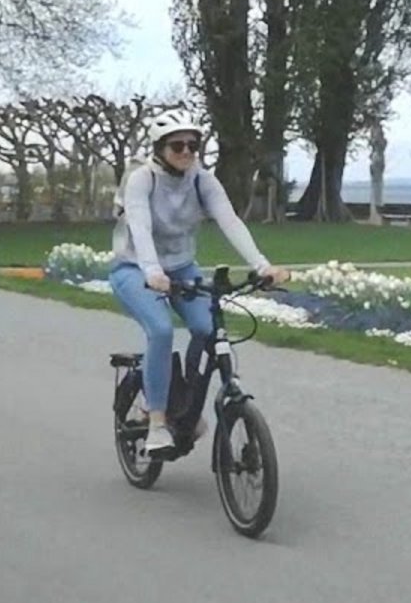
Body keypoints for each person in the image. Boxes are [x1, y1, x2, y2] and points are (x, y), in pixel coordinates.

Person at [107, 111, 290, 456]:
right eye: (178, 145)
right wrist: (151, 271)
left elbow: (230, 221)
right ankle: (158, 421)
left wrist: (262, 266)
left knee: (208, 330)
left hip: (181, 267)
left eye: (194, 145)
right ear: (160, 148)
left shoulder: (200, 179)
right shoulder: (141, 179)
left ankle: (185, 402)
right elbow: (140, 228)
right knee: (160, 330)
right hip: (134, 268)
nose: (187, 152)